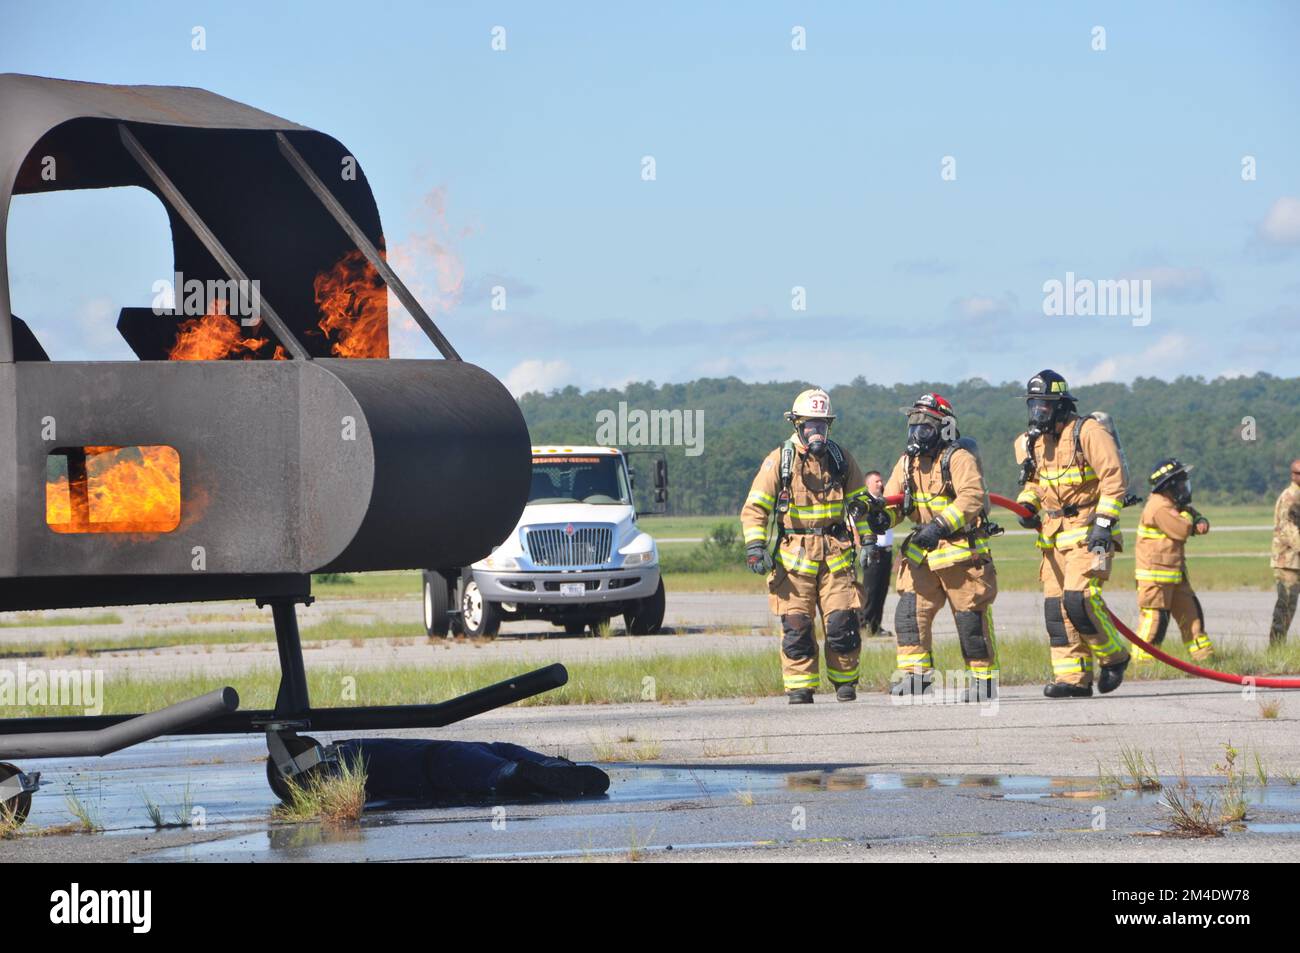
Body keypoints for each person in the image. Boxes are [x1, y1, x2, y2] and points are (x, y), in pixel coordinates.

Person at [740, 388, 875, 703]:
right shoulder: (779, 461)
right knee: (797, 626)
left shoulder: (841, 459)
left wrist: (867, 539)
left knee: (843, 622)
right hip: (794, 559)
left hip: (836, 555)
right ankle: (800, 688)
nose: (817, 432)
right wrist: (755, 547)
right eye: (810, 426)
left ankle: (845, 684)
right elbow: (755, 508)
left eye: (822, 425)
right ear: (797, 425)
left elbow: (860, 504)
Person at [1014, 370, 1130, 698]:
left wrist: (1104, 525)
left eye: (1045, 406)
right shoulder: (1031, 442)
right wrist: (1027, 505)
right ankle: (1073, 679)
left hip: (1088, 531)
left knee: (1079, 600)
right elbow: (1033, 483)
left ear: (1062, 406)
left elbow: (1113, 479)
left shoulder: (1088, 432)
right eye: (1034, 405)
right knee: (1056, 609)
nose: (1038, 412)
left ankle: (1114, 657)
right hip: (1053, 536)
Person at [880, 393, 1000, 701]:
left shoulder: (957, 457)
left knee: (970, 620)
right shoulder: (907, 463)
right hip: (923, 553)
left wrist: (940, 525)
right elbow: (895, 504)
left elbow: (971, 497)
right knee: (909, 614)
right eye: (913, 423)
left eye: (925, 425)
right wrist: (878, 515)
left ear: (944, 428)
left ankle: (983, 681)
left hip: (961, 554)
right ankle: (915, 676)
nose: (916, 431)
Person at [1132, 459, 1214, 663]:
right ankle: (1141, 665)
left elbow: (1191, 521)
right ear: (1168, 486)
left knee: (1192, 617)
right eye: (1180, 483)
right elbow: (1182, 529)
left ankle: (1205, 660)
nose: (1183, 488)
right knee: (1155, 623)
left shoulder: (1172, 505)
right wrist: (1190, 516)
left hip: (1174, 576)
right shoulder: (1159, 507)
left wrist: (1199, 519)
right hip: (1155, 580)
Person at [857, 470, 894, 638]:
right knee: (870, 591)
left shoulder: (886, 502)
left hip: (886, 552)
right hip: (874, 551)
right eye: (877, 481)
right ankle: (863, 625)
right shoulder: (864, 503)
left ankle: (875, 626)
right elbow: (854, 526)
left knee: (882, 591)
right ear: (868, 485)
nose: (880, 484)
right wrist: (861, 548)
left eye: (881, 481)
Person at [1270, 459, 1300, 645]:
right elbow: (1288, 529)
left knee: (1289, 605)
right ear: (1294, 475)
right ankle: (1276, 648)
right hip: (1287, 561)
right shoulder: (1290, 497)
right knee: (1286, 606)